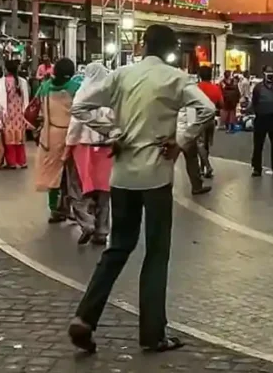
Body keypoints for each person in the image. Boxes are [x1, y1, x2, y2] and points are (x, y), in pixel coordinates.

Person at [67, 24, 215, 354]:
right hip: (157, 175)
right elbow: (207, 109)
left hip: (122, 176)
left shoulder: (121, 75)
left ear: (144, 44)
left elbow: (80, 107)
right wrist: (179, 141)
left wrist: (113, 132)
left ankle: (85, 317)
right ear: (170, 50)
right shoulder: (177, 79)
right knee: (157, 252)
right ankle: (152, 332)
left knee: (118, 247)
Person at [65, 62, 114, 245]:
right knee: (103, 191)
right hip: (107, 148)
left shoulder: (83, 92)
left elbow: (76, 123)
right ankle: (102, 231)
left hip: (84, 147)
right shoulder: (111, 94)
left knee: (77, 190)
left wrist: (68, 145)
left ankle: (87, 223)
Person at [35, 58, 82, 223]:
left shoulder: (45, 87)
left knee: (53, 174)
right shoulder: (76, 88)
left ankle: (55, 209)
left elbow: (38, 109)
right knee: (73, 175)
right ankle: (76, 210)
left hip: (50, 135)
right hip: (72, 135)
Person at [250, 65, 273, 177]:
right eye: (268, 72)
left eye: (272, 72)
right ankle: (256, 168)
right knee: (258, 145)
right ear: (263, 73)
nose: (270, 74)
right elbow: (254, 102)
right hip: (261, 118)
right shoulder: (258, 88)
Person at [0, 59, 30, 169]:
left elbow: (2, 100)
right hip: (20, 114)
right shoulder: (23, 81)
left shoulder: (2, 81)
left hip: (8, 113)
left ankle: (11, 162)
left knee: (9, 139)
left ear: (6, 69)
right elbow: (26, 99)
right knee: (19, 138)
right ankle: (22, 161)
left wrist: (2, 115)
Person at [193, 66, 222, 179]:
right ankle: (202, 168)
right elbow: (221, 103)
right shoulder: (215, 88)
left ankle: (207, 166)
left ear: (199, 75)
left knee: (199, 144)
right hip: (211, 118)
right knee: (207, 144)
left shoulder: (197, 88)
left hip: (200, 118)